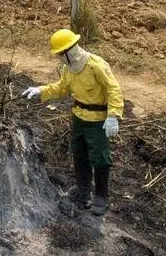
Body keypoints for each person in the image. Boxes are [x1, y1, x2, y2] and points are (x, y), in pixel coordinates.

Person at [22, 29, 124, 216]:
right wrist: (41, 90)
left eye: (61, 53)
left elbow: (113, 88)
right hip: (79, 117)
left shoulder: (96, 65)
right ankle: (83, 191)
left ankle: (101, 197)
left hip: (97, 120)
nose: (59, 57)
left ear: (70, 50)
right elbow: (62, 88)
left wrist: (113, 115)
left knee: (100, 158)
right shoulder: (67, 69)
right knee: (79, 154)